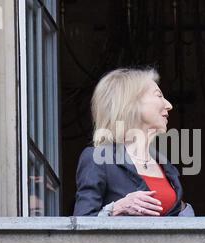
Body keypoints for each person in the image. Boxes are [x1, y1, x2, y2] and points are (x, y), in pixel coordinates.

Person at [73, 68, 194, 217]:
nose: (169, 105)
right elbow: (80, 225)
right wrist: (115, 209)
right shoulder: (97, 158)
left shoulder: (164, 163)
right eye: (159, 96)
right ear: (131, 103)